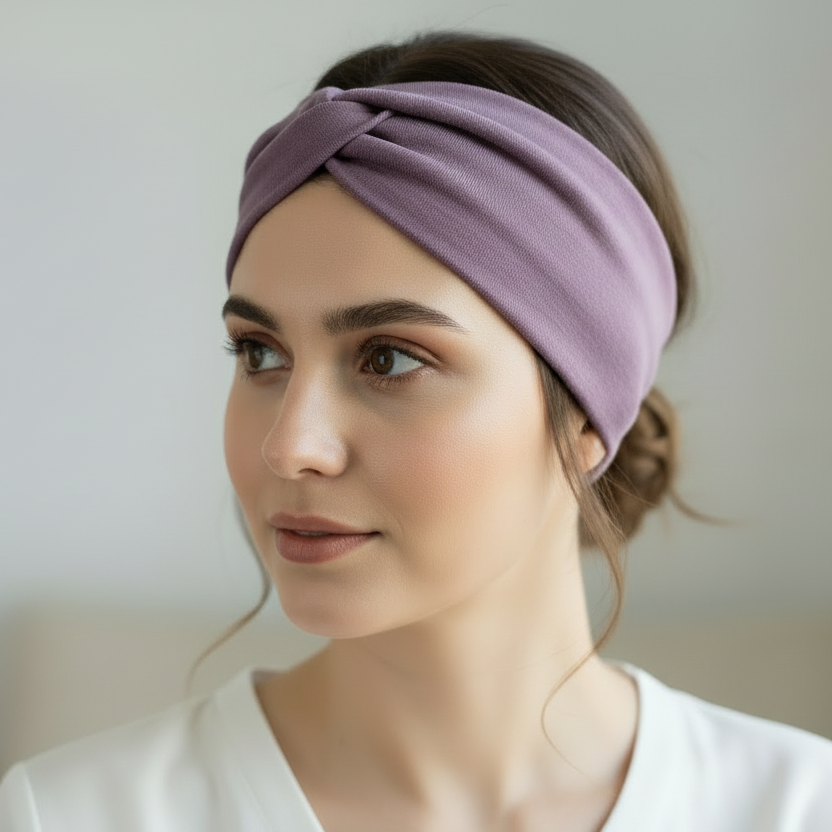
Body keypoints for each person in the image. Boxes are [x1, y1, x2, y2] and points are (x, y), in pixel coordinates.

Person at [1, 30, 830, 832]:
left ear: (586, 415)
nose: (289, 446)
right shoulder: (73, 815)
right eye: (260, 352)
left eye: (389, 359)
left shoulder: (798, 809)